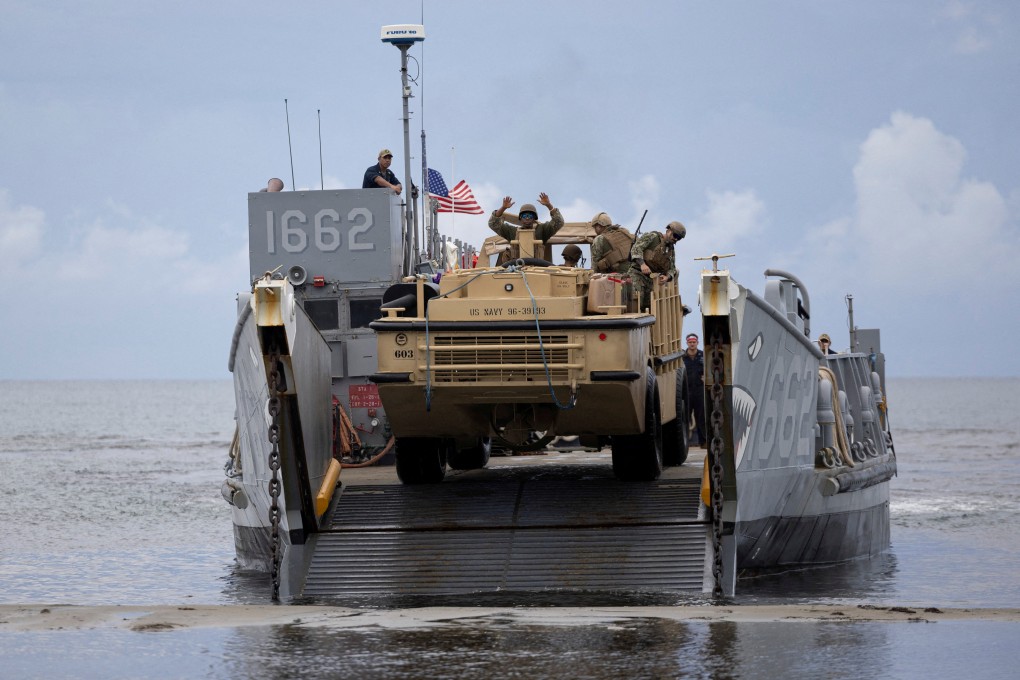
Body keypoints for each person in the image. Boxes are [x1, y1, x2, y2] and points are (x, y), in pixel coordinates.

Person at [488, 193, 564, 265]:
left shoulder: (542, 230)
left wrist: (549, 205)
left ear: (534, 218)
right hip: (516, 271)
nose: (527, 218)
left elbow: (559, 222)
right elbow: (493, 224)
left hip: (537, 271)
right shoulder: (512, 232)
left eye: (530, 216)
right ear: (520, 218)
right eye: (524, 216)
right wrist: (503, 208)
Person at [630, 220, 685, 311]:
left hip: (652, 281)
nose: (676, 239)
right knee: (637, 300)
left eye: (678, 238)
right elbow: (636, 248)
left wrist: (667, 277)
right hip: (637, 274)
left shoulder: (671, 250)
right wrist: (642, 264)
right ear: (668, 231)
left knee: (648, 307)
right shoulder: (653, 237)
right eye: (675, 235)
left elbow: (672, 268)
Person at [681, 333, 707, 447]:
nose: (692, 344)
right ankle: (684, 443)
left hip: (699, 390)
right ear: (687, 343)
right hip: (686, 391)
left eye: (694, 342)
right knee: (685, 417)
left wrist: (706, 377)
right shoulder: (682, 358)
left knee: (701, 416)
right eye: (690, 342)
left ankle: (703, 441)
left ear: (697, 343)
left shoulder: (703, 356)